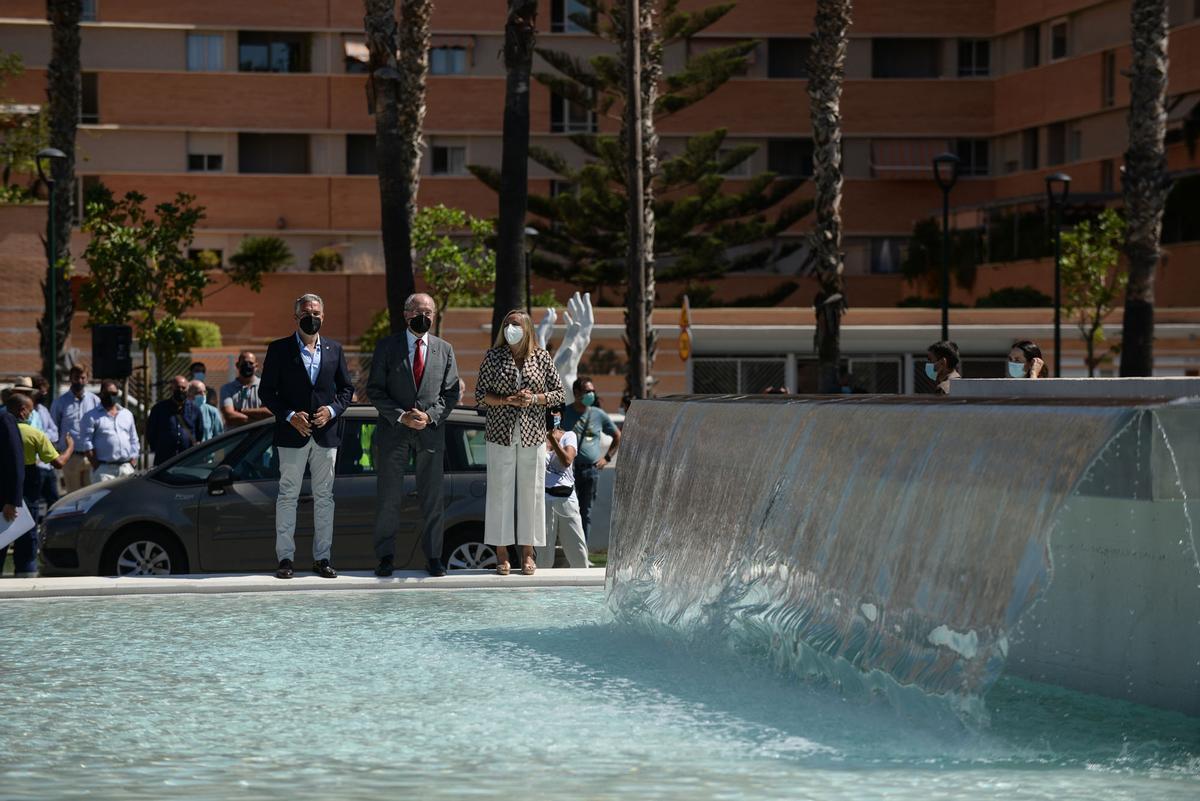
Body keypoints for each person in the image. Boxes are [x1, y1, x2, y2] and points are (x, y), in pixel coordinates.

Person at [259, 293, 354, 580]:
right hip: (292, 435)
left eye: (315, 312)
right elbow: (266, 392)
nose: (311, 317)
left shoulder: (335, 350)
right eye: (305, 312)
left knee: (325, 497)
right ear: (296, 317)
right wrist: (289, 416)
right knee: (287, 496)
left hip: (326, 435)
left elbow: (346, 391)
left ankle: (322, 558)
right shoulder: (278, 350)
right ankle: (285, 559)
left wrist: (332, 410)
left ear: (323, 317)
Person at [366, 293, 461, 578]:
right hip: (394, 432)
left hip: (429, 434)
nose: (425, 317)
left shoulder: (444, 349)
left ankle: (433, 557)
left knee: (433, 499)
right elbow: (375, 390)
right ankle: (385, 557)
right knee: (389, 499)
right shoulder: (387, 347)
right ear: (407, 314)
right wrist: (400, 414)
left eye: (429, 312)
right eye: (420, 311)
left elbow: (451, 392)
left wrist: (430, 416)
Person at [475, 310, 565, 576]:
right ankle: (501, 553)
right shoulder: (493, 356)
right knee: (499, 493)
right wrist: (506, 400)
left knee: (532, 493)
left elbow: (559, 393)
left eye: (515, 324)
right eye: (507, 323)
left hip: (533, 433)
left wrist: (534, 399)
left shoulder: (541, 357)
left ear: (527, 329)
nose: (510, 328)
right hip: (500, 433)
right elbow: (480, 395)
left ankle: (528, 552)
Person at [3, 394, 74, 576]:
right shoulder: (34, 434)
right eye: (31, 410)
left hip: (4, 486)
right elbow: (58, 462)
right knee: (27, 532)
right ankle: (25, 573)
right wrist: (70, 447)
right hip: (28, 485)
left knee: (3, 531)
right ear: (23, 410)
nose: (32, 413)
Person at [561, 376, 620, 542]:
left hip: (590, 471)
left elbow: (617, 436)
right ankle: (568, 549)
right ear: (576, 393)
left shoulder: (598, 415)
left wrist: (606, 458)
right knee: (567, 512)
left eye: (593, 391)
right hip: (567, 471)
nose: (592, 394)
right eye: (588, 391)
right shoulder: (565, 413)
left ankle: (583, 552)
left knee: (585, 512)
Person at [536, 408, 590, 570]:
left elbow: (567, 460)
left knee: (578, 549)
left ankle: (585, 591)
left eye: (556, 411)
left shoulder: (569, 436)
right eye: (549, 412)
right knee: (544, 555)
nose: (553, 415)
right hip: (544, 500)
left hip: (567, 498)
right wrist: (545, 439)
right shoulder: (536, 437)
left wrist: (553, 441)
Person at [10, 376, 59, 521]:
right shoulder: (6, 415)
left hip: (39, 464)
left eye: (28, 392)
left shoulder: (39, 412)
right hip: (18, 466)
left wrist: (41, 440)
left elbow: (52, 432)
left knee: (43, 502)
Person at [78, 380, 139, 482]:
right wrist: (97, 466)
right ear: (101, 394)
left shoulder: (127, 414)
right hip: (104, 470)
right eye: (107, 393)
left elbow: (134, 440)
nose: (111, 396)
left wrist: (133, 462)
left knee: (127, 498)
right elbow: (87, 444)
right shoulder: (91, 416)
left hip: (126, 468)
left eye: (114, 393)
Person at [51, 364, 100, 492]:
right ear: (70, 378)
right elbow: (53, 427)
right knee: (73, 497)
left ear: (87, 379)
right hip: (71, 457)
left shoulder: (95, 401)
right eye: (76, 377)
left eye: (83, 378)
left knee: (91, 496)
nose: (80, 381)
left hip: (91, 456)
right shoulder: (60, 402)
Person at [146, 376, 202, 464]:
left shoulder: (195, 410)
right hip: (164, 461)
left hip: (188, 461)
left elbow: (199, 433)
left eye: (183, 388)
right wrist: (159, 448)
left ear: (187, 389)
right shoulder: (159, 409)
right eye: (177, 387)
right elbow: (151, 432)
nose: (180, 390)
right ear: (171, 389)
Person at [220, 350, 271, 428]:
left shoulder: (266, 386)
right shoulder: (227, 388)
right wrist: (259, 421)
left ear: (256, 366)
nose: (247, 366)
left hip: (261, 438)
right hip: (236, 438)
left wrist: (240, 411)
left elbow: (270, 412)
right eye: (244, 363)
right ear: (237, 365)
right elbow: (230, 416)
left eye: (250, 363)